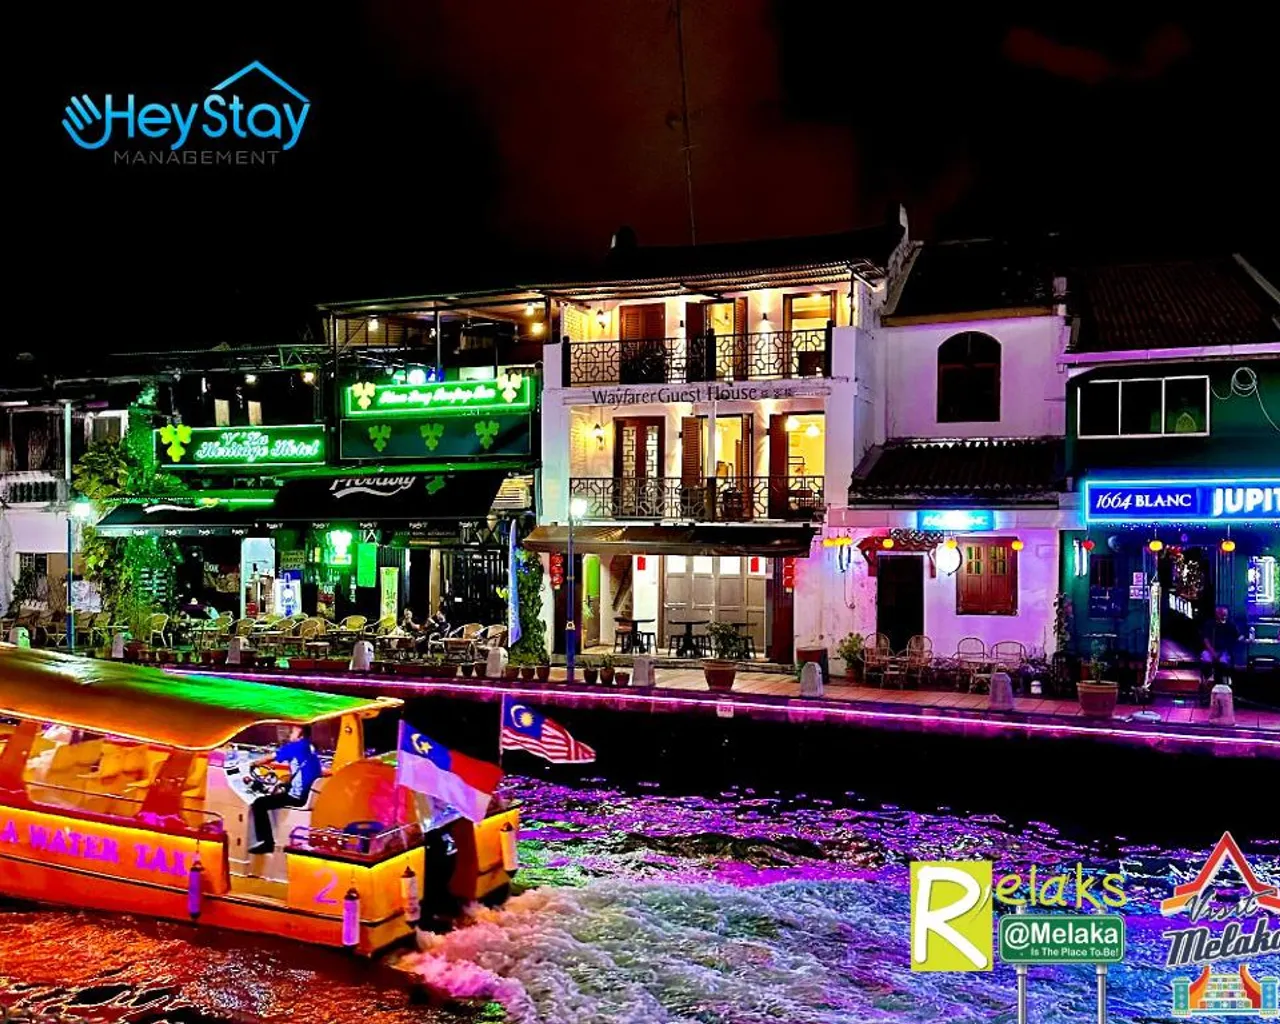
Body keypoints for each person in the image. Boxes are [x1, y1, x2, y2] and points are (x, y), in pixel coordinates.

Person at [248, 724, 321, 854]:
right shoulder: (311, 747)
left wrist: (254, 763)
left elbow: (270, 757)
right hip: (306, 794)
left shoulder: (296, 746)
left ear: (300, 733)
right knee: (279, 788)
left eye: (292, 731)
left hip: (296, 797)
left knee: (259, 803)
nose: (289, 734)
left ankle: (267, 843)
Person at [1201, 606, 1240, 691]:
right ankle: (1205, 682)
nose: (1224, 616)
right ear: (1217, 614)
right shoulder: (1210, 624)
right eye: (1222, 614)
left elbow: (1238, 636)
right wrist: (1213, 652)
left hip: (1223, 651)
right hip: (1210, 650)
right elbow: (1206, 640)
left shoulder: (1230, 625)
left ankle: (1220, 684)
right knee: (1206, 659)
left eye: (1225, 615)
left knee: (1223, 663)